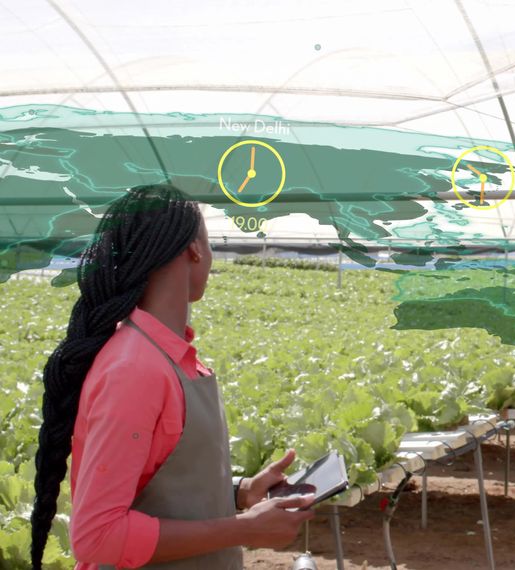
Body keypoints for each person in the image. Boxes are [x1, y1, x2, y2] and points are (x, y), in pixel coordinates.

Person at [30, 185, 314, 570]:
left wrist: (239, 492)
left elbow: (156, 488)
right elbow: (98, 538)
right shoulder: (134, 369)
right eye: (209, 244)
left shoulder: (171, 356)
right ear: (195, 249)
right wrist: (244, 529)